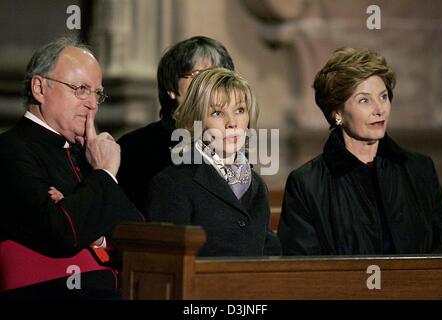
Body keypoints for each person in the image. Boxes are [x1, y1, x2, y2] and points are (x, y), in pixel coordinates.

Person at [0, 37, 144, 299]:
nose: (92, 103)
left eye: (97, 93)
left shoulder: (86, 154)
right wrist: (103, 175)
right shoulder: (10, 150)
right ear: (39, 88)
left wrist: (96, 234)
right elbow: (62, 232)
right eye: (80, 89)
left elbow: (139, 239)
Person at [278, 47, 442, 255]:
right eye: (364, 100)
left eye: (383, 96)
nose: (379, 109)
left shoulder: (419, 169)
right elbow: (303, 270)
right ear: (337, 113)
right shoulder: (307, 183)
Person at [144, 68, 281, 257]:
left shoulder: (257, 185)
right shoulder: (172, 184)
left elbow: (269, 253)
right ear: (197, 120)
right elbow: (168, 263)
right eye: (217, 113)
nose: (232, 123)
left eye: (240, 110)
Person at [117, 36, 235, 213]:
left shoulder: (230, 140)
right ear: (171, 89)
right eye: (199, 75)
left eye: (218, 76)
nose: (209, 85)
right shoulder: (136, 146)